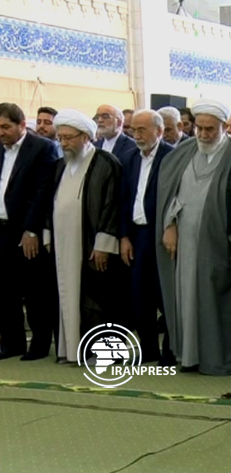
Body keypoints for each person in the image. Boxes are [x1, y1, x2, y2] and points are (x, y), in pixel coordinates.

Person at [156, 99, 231, 375]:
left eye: (210, 129)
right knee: (187, 297)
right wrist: (169, 225)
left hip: (221, 243)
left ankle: (218, 357)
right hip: (185, 242)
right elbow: (170, 194)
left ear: (225, 127)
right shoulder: (184, 152)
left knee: (219, 302)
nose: (203, 135)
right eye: (199, 128)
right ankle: (190, 355)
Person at [50, 109, 123, 363]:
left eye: (69, 138)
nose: (64, 143)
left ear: (85, 137)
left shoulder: (105, 163)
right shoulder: (61, 165)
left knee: (98, 299)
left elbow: (112, 205)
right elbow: (53, 202)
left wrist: (103, 243)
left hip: (93, 244)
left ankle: (104, 353)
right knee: (67, 295)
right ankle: (71, 350)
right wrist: (48, 235)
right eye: (60, 138)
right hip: (63, 244)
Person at [0, 103, 59, 361]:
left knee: (34, 291)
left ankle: (40, 342)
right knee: (5, 290)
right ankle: (12, 342)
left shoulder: (42, 148)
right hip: (1, 229)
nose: (1, 132)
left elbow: (43, 192)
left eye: (5, 127)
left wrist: (31, 230)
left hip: (26, 231)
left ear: (22, 125)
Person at [119, 109, 174, 365]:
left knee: (166, 295)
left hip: (162, 236)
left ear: (159, 131)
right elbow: (123, 201)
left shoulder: (172, 157)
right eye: (133, 130)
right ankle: (148, 348)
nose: (136, 135)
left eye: (142, 130)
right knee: (140, 297)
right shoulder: (129, 158)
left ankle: (171, 350)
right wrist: (124, 237)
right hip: (136, 235)